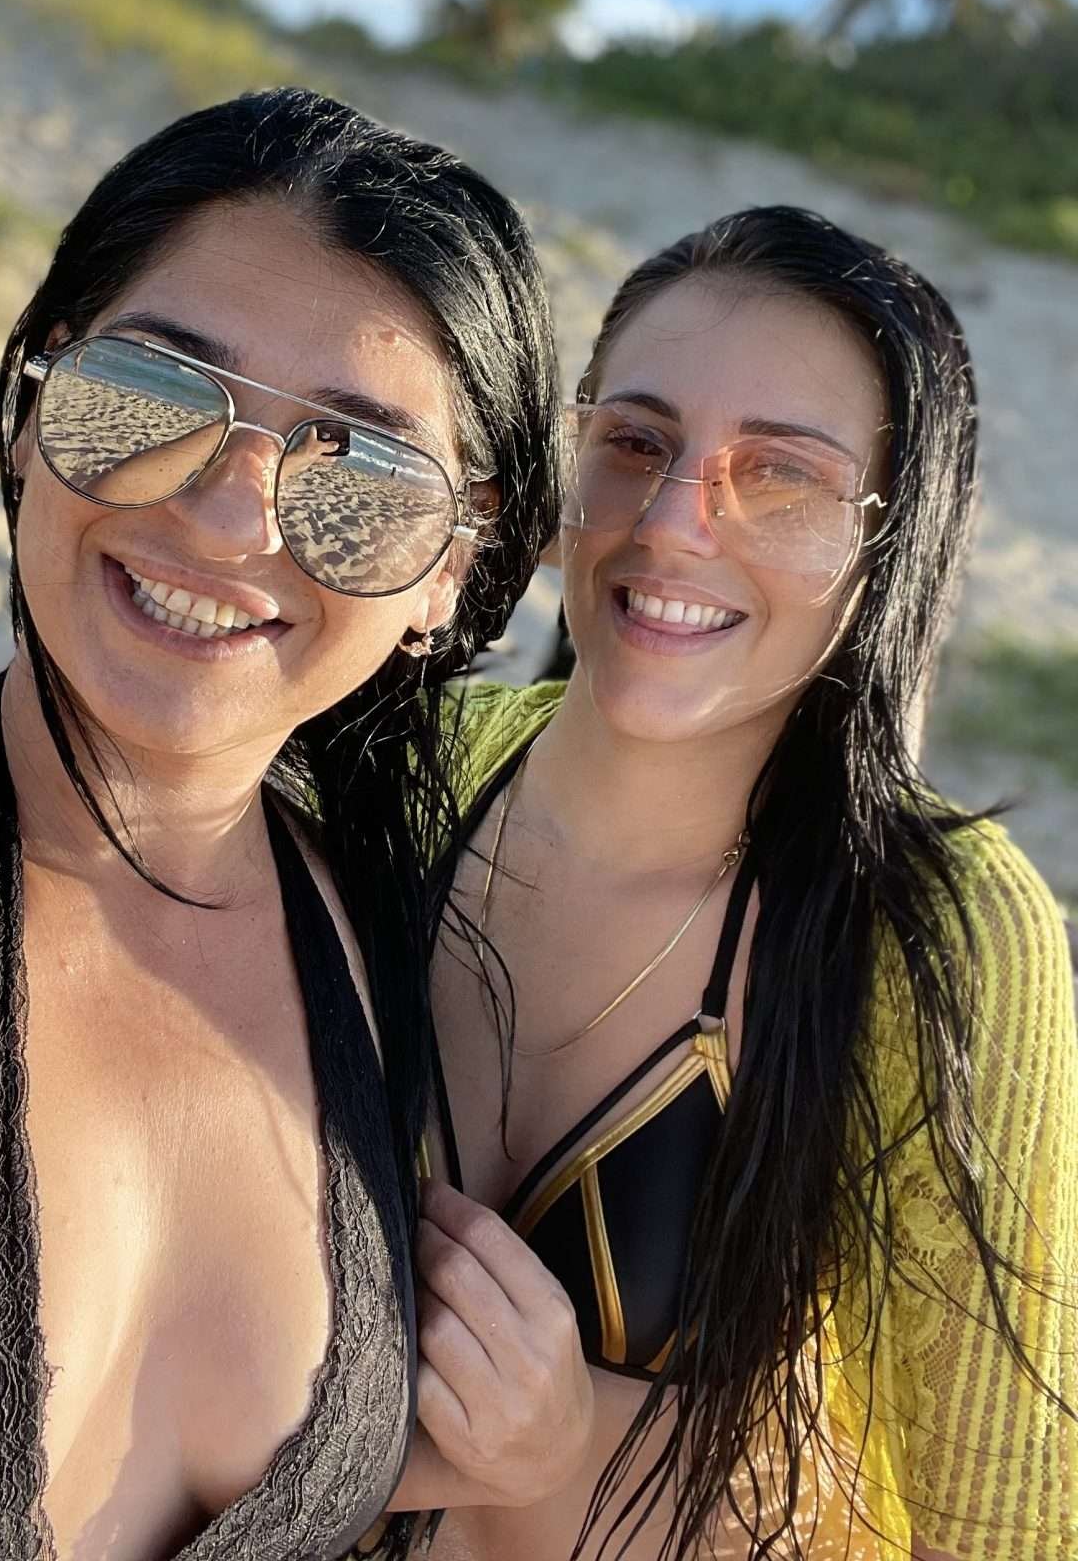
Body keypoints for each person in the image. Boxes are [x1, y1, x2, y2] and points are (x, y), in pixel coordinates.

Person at [0, 88, 594, 1561]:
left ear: (453, 586)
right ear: (31, 410)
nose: (227, 521)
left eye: (364, 475)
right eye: (149, 394)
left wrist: (512, 1451)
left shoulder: (386, 953)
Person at [425, 207, 1078, 1560]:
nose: (675, 526)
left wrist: (573, 1439)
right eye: (638, 444)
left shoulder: (930, 926)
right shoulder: (399, 775)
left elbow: (1002, 1528)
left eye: (782, 478)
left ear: (889, 543)